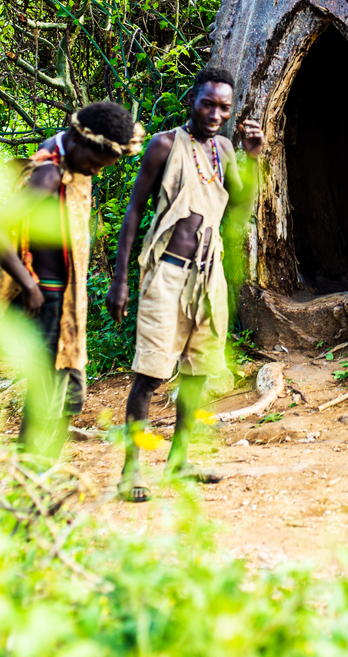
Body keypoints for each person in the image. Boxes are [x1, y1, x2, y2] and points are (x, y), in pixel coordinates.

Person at [106, 66, 264, 501]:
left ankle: (179, 460)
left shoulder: (227, 150)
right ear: (191, 100)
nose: (216, 113)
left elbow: (240, 209)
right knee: (149, 375)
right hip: (167, 274)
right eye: (208, 103)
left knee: (196, 373)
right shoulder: (164, 145)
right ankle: (131, 470)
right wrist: (121, 280)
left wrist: (253, 157)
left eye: (224, 107)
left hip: (208, 276)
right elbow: (134, 213)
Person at [0, 101, 145, 461]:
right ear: (77, 139)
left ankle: (45, 466)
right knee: (47, 387)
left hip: (65, 294)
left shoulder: (68, 156)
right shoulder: (49, 175)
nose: (93, 171)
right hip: (46, 296)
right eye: (92, 164)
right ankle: (32, 467)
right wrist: (29, 286)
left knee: (62, 382)